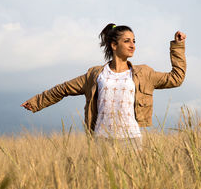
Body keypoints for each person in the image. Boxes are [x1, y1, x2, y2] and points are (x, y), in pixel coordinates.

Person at [21, 23, 186, 146]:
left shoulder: (144, 73)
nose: (132, 45)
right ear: (114, 45)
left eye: (134, 41)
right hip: (101, 139)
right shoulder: (95, 75)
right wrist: (36, 102)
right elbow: (63, 89)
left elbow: (176, 78)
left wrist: (178, 46)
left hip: (131, 139)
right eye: (127, 41)